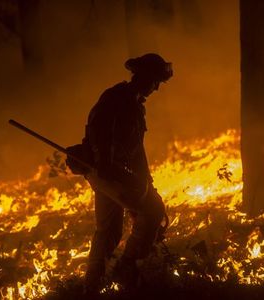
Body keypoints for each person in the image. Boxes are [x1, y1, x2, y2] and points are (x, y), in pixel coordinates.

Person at [82, 53, 173, 292]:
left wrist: (147, 181)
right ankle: (126, 267)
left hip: (113, 173)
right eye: (155, 81)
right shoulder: (116, 98)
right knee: (152, 212)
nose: (156, 88)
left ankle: (92, 284)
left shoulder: (133, 104)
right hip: (106, 172)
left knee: (109, 229)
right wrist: (105, 164)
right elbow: (96, 132)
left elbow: (136, 150)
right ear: (143, 77)